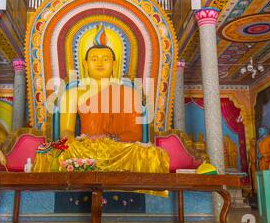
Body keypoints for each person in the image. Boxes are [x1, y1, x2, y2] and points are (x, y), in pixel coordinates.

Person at [33, 24, 169, 177]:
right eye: (94, 59)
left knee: (152, 154)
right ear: (85, 64)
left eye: (105, 59)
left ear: (114, 64)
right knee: (49, 152)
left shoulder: (129, 92)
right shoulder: (73, 93)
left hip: (118, 149)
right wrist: (74, 141)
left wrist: (109, 139)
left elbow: (134, 134)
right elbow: (66, 131)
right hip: (85, 147)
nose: (99, 63)